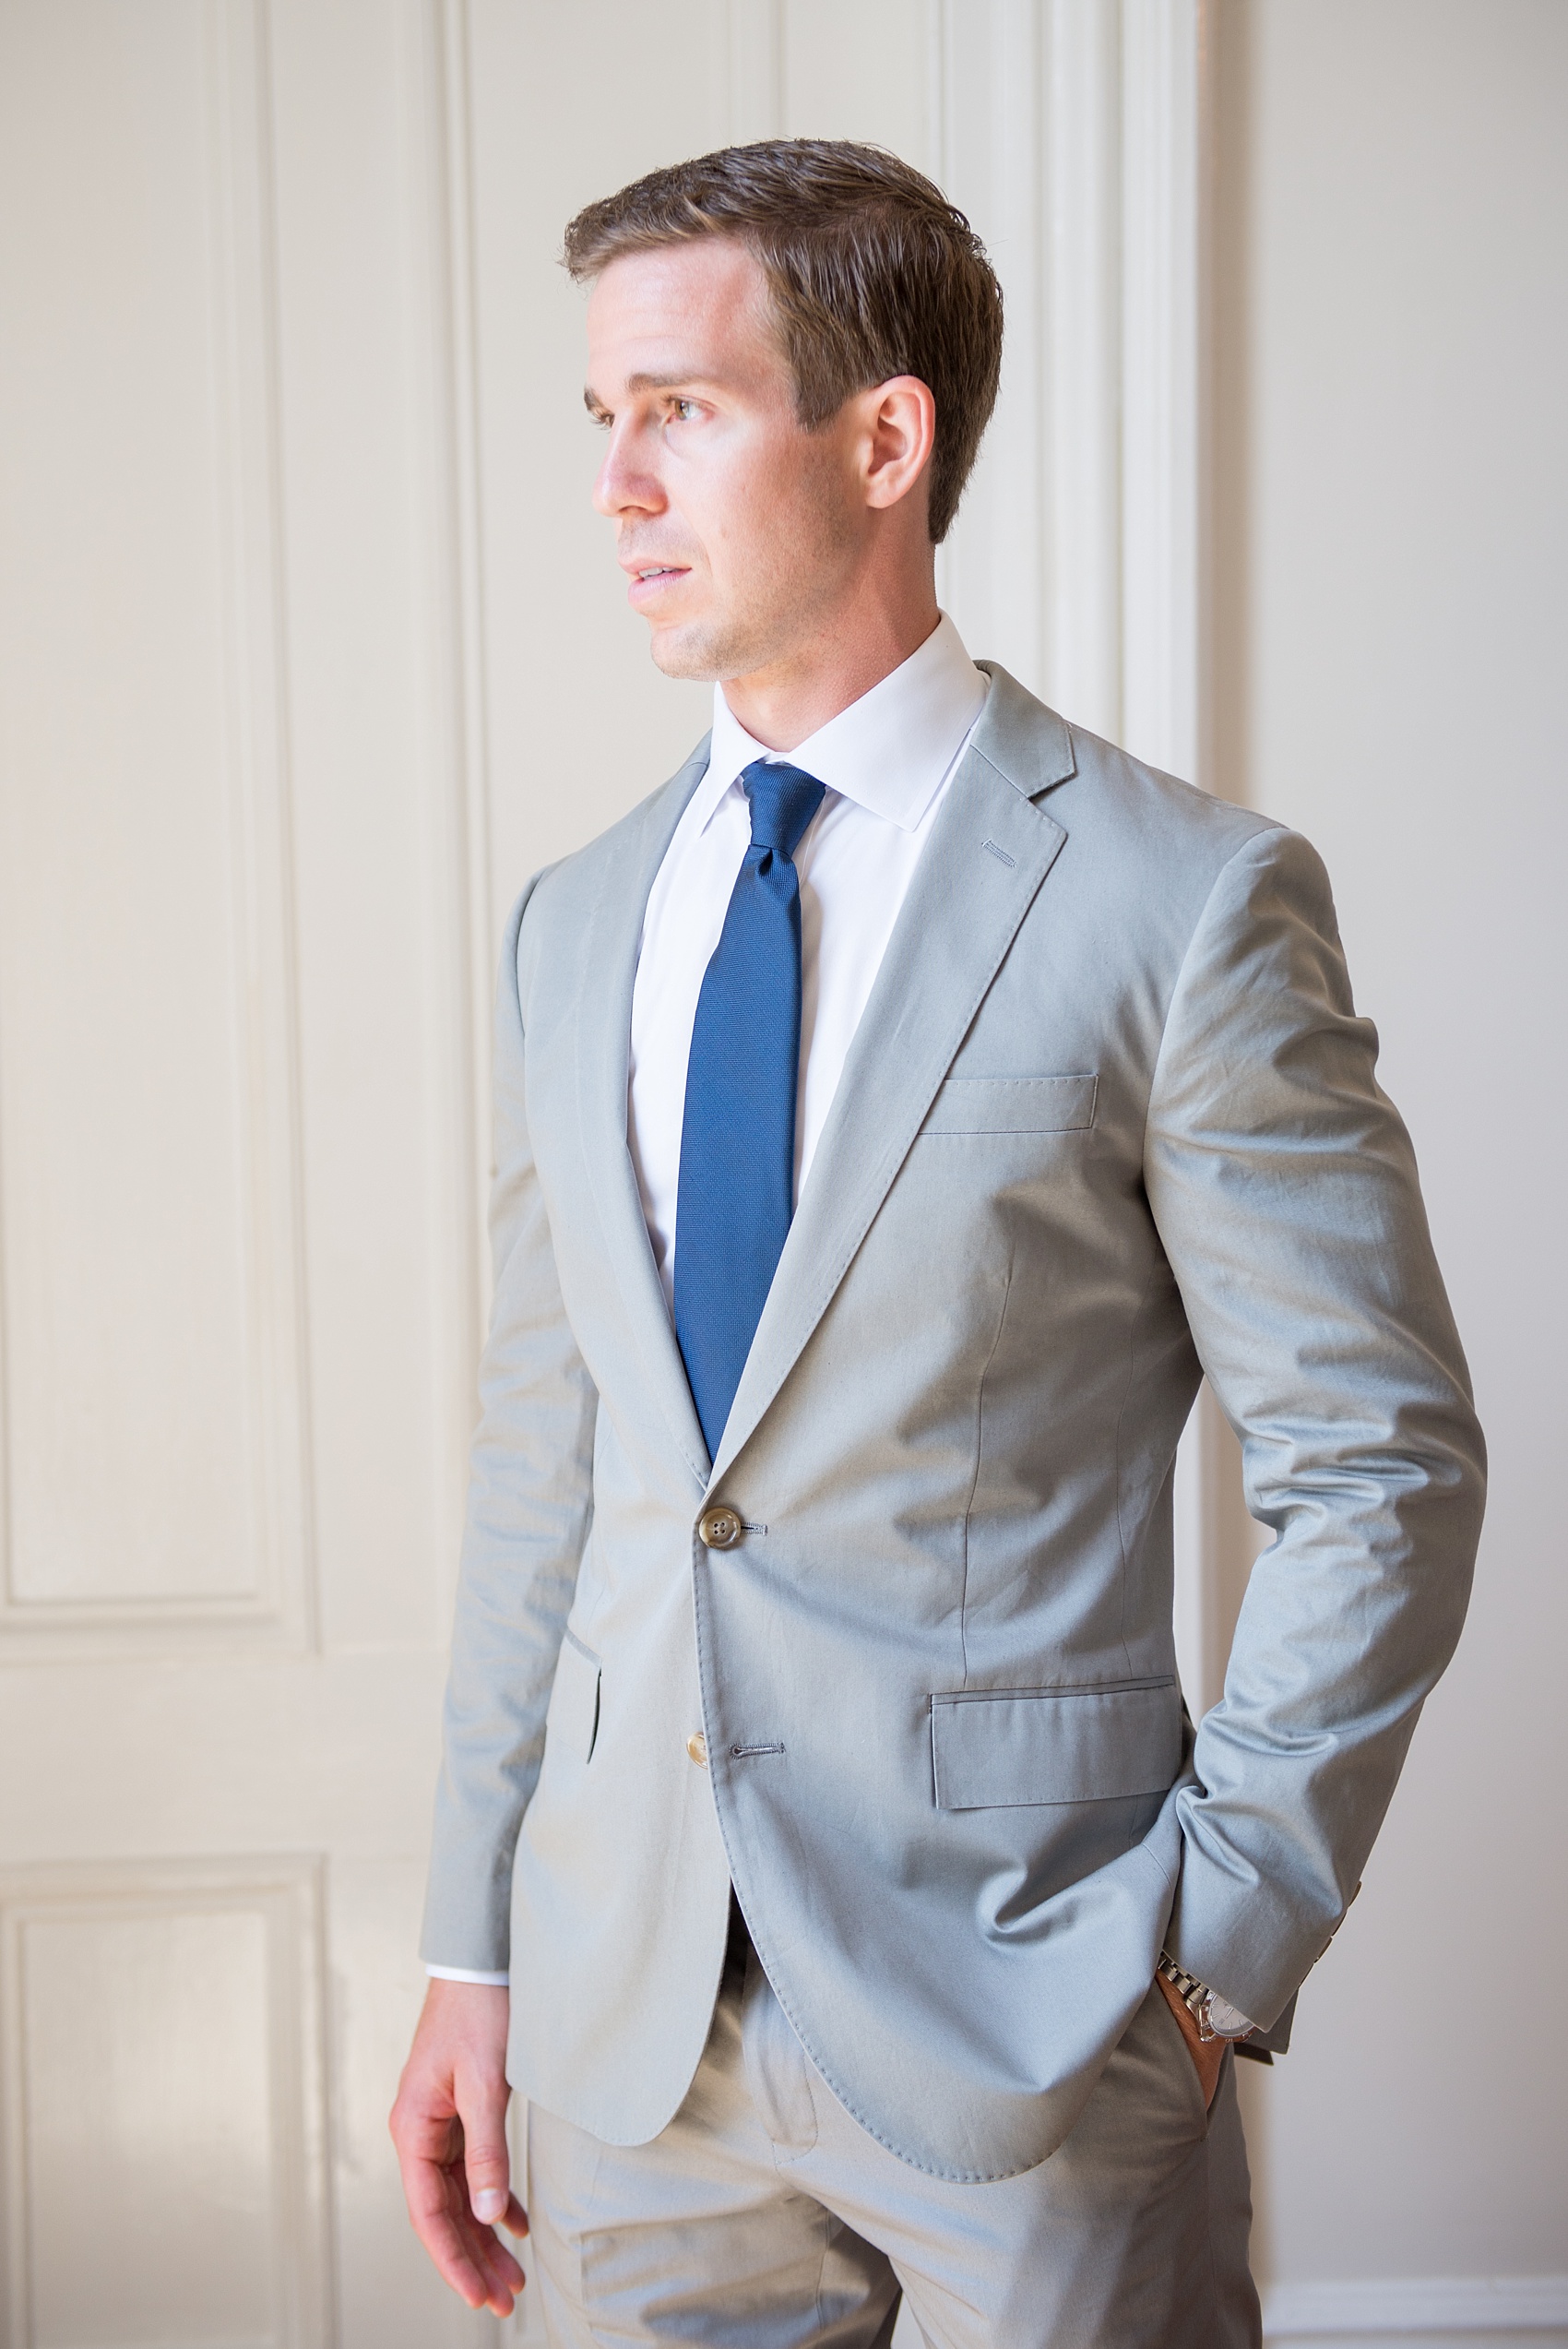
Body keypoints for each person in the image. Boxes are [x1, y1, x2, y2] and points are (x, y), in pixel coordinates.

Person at [389, 140, 1483, 2346]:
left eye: (677, 408)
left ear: (880, 438)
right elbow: (554, 1469)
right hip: (631, 2053)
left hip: (1042, 2033)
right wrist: (471, 1947)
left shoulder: (1181, 901)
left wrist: (1210, 1961)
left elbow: (1379, 1465)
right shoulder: (574, 922)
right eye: (597, 417)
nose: (615, 481)